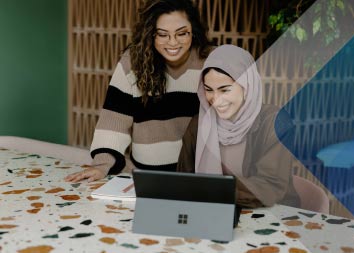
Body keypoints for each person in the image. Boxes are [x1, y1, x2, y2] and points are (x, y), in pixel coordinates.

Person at [65, 0, 212, 183]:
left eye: (181, 33)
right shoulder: (132, 63)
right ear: (150, 34)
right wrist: (102, 165)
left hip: (199, 177)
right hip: (145, 178)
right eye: (162, 35)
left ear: (194, 32)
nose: (173, 42)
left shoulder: (211, 62)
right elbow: (114, 121)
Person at [177, 44, 300, 209]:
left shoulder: (276, 122)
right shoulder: (199, 124)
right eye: (209, 90)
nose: (216, 99)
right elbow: (183, 179)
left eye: (225, 90)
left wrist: (212, 191)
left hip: (272, 216)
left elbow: (270, 186)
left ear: (247, 85)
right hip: (214, 213)